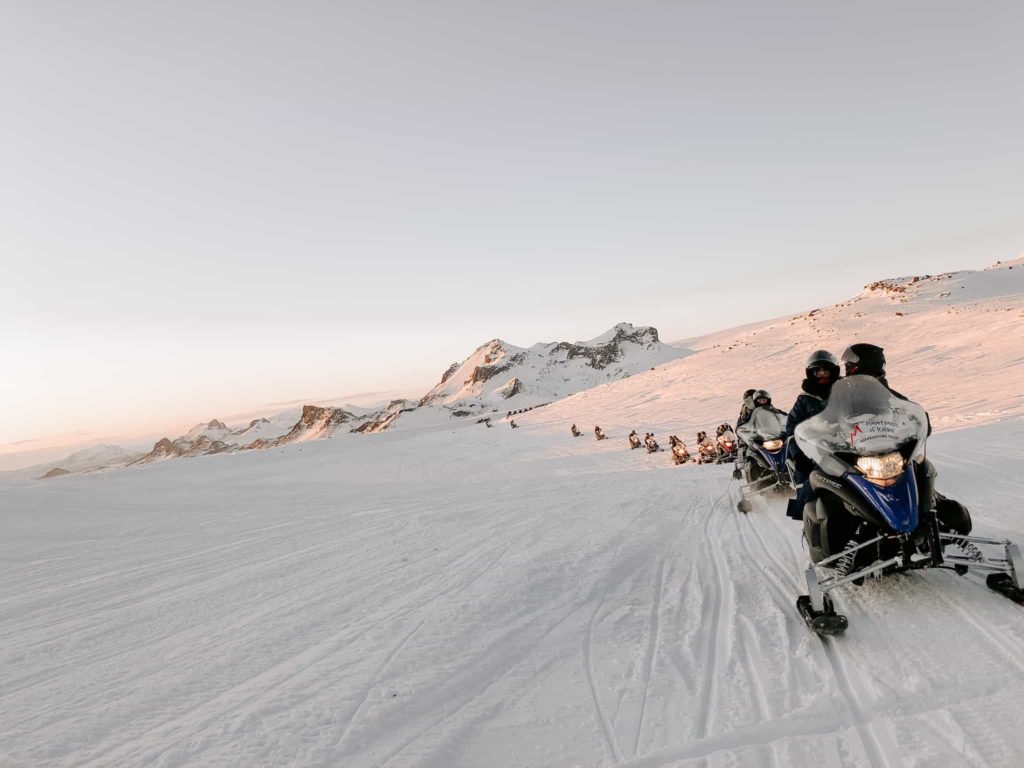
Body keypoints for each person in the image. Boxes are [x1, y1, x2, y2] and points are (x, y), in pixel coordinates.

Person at [785, 350, 841, 520]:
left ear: (834, 372)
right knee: (810, 479)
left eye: (826, 370)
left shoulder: (843, 393)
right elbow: (792, 428)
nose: (823, 374)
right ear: (811, 373)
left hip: (845, 444)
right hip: (816, 450)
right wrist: (798, 454)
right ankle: (805, 514)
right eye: (818, 371)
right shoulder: (805, 399)